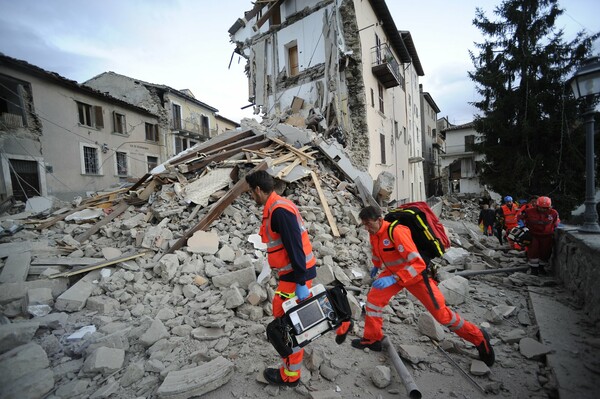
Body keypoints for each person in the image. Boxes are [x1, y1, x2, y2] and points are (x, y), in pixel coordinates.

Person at [350, 206, 495, 367]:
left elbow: (418, 263)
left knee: (442, 315)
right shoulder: (374, 233)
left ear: (379, 219)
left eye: (369, 224)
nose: (366, 228)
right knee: (373, 301)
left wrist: (394, 278)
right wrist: (376, 265)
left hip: (415, 277)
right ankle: (372, 339)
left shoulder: (397, 231)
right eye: (364, 224)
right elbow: (377, 252)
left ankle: (479, 338)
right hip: (392, 274)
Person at [245, 170, 317, 387]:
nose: (251, 197)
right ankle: (291, 366)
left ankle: (290, 375)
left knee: (287, 323)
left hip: (296, 276)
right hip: (293, 274)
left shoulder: (279, 211)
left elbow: (295, 246)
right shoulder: (278, 206)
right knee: (287, 320)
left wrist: (302, 282)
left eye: (251, 192)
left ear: (259, 190)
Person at [518, 196, 559, 275]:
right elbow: (520, 218)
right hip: (533, 235)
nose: (543, 209)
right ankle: (534, 269)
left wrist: (556, 228)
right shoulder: (529, 211)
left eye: (546, 208)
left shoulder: (553, 213)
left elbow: (556, 222)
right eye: (541, 208)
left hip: (547, 236)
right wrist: (523, 227)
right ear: (537, 206)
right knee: (533, 251)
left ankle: (541, 268)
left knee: (545, 252)